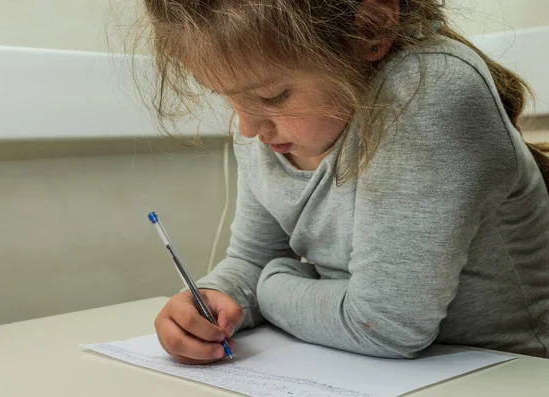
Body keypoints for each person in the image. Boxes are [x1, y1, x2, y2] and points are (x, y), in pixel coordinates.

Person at [141, 0, 549, 363]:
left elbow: (385, 325)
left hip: (507, 372)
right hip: (363, 369)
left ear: (369, 29)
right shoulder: (270, 131)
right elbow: (251, 260)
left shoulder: (430, 89)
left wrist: (270, 286)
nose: (248, 128)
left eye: (272, 96)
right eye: (225, 95)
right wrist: (215, 301)